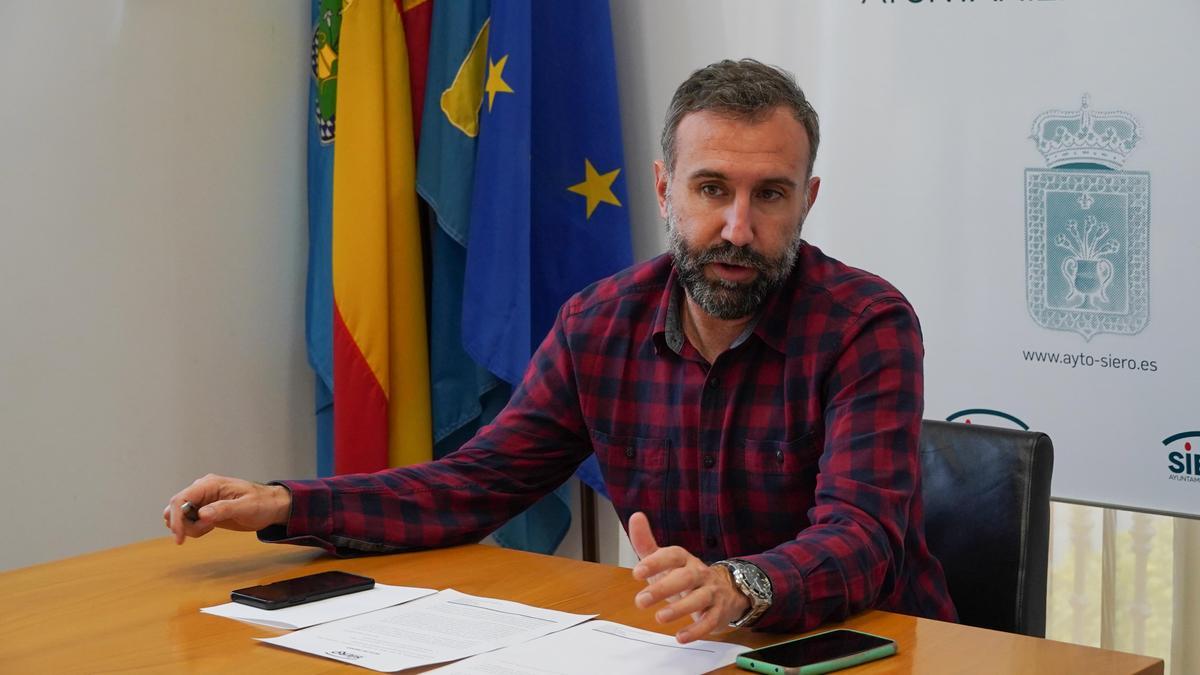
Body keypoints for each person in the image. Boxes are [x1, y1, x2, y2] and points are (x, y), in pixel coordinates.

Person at [165, 59, 956, 644]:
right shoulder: (600, 324)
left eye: (770, 194)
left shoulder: (867, 324)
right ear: (664, 188)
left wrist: (739, 584)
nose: (738, 228)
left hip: (858, 651)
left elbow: (861, 535)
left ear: (807, 200)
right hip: (691, 652)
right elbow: (472, 486)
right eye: (712, 189)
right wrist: (290, 502)